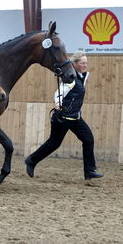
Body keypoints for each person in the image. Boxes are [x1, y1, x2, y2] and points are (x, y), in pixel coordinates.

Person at [24, 50, 103, 180]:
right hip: (63, 117)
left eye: (86, 63)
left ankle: (90, 171)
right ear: (75, 63)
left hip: (75, 117)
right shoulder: (70, 77)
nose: (85, 65)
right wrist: (57, 103)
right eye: (82, 63)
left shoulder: (82, 76)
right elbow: (59, 92)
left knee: (88, 139)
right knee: (54, 143)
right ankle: (31, 160)